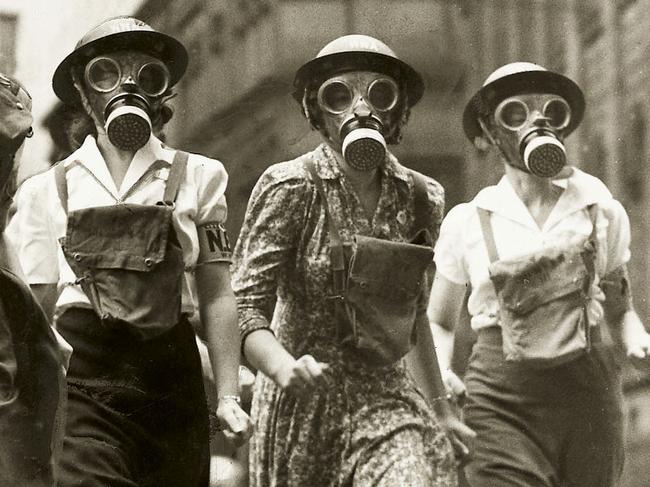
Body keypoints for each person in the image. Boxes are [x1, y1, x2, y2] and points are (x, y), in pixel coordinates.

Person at [8, 17, 253, 486]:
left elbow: (218, 293)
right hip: (84, 384)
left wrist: (226, 396)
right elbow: (35, 308)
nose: (126, 86)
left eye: (148, 74)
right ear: (83, 90)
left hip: (171, 386)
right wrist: (26, 401)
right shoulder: (46, 191)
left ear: (163, 92)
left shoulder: (200, 177)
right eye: (106, 73)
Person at [232, 34, 469, 487]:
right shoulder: (290, 188)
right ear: (317, 111)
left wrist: (442, 412)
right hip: (300, 405)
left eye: (380, 93)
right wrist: (282, 367)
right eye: (339, 94)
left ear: (398, 110)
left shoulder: (421, 197)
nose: (362, 110)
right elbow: (245, 309)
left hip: (384, 398)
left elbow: (412, 315)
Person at [428, 62, 650, 487]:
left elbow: (621, 309)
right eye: (515, 113)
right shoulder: (469, 221)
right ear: (488, 134)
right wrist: (441, 372)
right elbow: (439, 319)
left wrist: (635, 338)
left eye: (550, 109)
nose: (537, 121)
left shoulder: (600, 209)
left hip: (588, 401)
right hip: (500, 401)